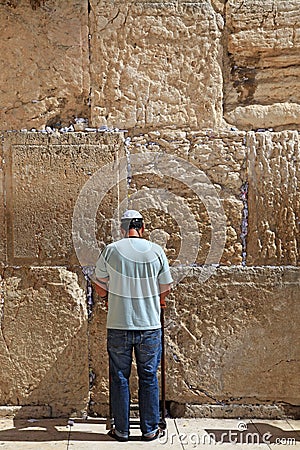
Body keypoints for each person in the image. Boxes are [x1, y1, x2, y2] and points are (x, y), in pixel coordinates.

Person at [94, 210, 173, 442]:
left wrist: (110, 298)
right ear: (143, 227)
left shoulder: (111, 250)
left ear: (122, 228)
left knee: (119, 375)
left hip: (119, 323)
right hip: (149, 324)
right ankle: (149, 429)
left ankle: (122, 430)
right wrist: (158, 302)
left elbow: (99, 286)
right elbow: (165, 287)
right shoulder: (156, 251)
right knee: (148, 375)